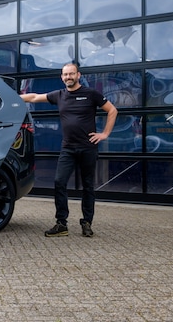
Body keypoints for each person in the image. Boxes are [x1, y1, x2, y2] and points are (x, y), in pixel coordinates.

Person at [20, 62, 117, 238]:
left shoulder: (91, 94)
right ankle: (61, 223)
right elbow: (34, 97)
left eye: (71, 74)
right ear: (62, 77)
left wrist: (104, 134)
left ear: (78, 75)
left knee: (88, 186)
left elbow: (112, 110)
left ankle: (87, 222)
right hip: (68, 148)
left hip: (88, 147)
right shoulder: (59, 95)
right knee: (59, 182)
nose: (68, 77)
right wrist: (14, 97)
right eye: (65, 74)